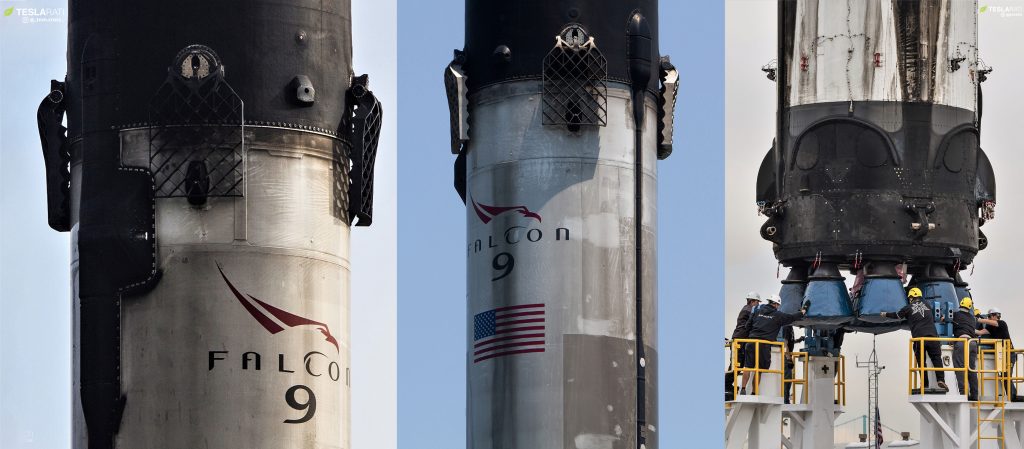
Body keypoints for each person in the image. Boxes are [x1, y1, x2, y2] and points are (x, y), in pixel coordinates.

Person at [880, 287, 948, 392]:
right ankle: (941, 379)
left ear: (911, 297)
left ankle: (925, 384)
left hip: (919, 338)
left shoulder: (908, 308)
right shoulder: (927, 305)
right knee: (936, 358)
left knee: (921, 362)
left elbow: (897, 315)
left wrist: (885, 314)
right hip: (933, 337)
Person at [739, 296, 808, 395]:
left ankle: (743, 389)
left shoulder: (758, 311)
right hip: (764, 345)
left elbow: (747, 326)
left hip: (751, 342)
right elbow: (791, 317)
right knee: (760, 369)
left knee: (748, 367)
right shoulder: (778, 315)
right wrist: (803, 311)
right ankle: (754, 392)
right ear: (776, 304)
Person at [726, 292, 762, 393]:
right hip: (740, 339)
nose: (758, 304)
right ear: (752, 301)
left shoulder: (747, 309)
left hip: (740, 338)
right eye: (757, 302)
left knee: (738, 364)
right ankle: (726, 385)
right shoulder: (749, 310)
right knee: (736, 364)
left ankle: (727, 385)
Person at [978, 307, 1015, 398]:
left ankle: (1012, 395)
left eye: (989, 316)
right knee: (1003, 375)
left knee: (1006, 375)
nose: (989, 318)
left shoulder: (1002, 323)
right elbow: (980, 332)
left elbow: (993, 323)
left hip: (1009, 353)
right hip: (1001, 353)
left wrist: (979, 320)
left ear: (994, 316)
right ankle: (1010, 395)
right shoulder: (991, 327)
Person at [948, 296, 979, 400]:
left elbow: (946, 319)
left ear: (961, 303)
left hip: (962, 342)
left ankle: (964, 394)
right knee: (971, 369)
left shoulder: (956, 314)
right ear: (969, 307)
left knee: (960, 368)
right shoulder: (972, 318)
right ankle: (975, 395)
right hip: (973, 343)